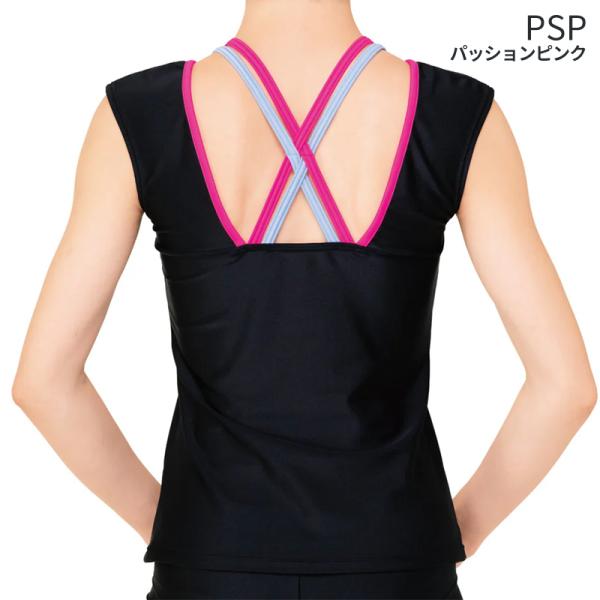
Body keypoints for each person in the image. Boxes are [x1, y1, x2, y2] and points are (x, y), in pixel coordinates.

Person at [12, 1, 596, 599]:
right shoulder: (459, 115)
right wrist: (451, 530)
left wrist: (176, 526)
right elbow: (566, 387)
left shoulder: (136, 116)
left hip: (212, 564)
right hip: (395, 562)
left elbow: (44, 383)